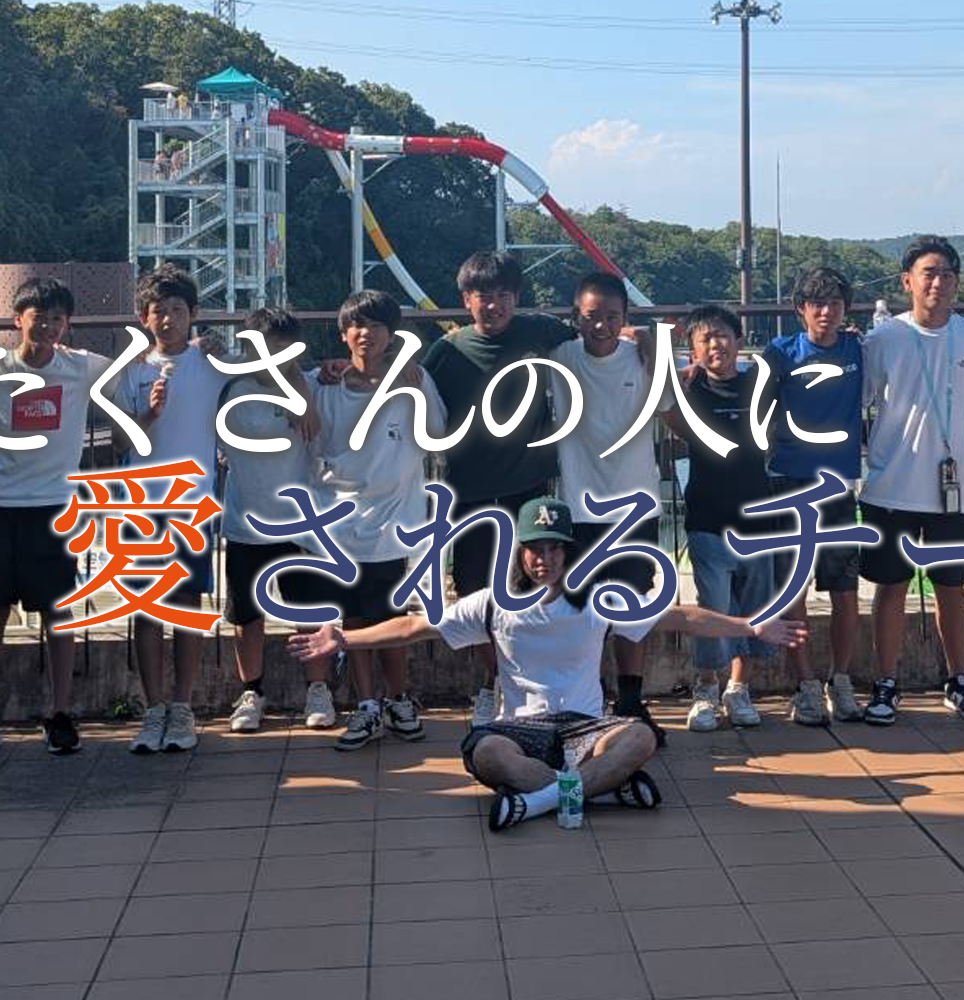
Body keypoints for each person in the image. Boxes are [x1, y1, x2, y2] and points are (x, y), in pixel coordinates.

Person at [288, 497, 806, 830]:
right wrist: (344, 637)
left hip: (586, 728)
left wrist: (750, 626)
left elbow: (681, 617)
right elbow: (413, 627)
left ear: (568, 554)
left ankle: (536, 802)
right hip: (520, 728)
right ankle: (598, 791)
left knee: (639, 738)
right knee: (487, 753)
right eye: (534, 549)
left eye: (555, 549)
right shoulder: (492, 603)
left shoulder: (599, 600)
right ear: (519, 553)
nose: (544, 559)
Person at [0, 277, 116, 760]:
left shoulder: (82, 367)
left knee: (58, 614)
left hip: (55, 507)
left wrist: (202, 348)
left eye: (57, 319)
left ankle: (59, 714)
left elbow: (142, 366)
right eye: (38, 317)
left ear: (67, 325)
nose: (47, 327)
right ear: (17, 320)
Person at [418, 251, 577, 725]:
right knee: (475, 593)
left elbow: (595, 340)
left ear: (517, 297)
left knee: (532, 590)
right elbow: (409, 392)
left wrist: (638, 339)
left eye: (504, 295)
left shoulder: (539, 332)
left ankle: (528, 685)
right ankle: (492, 683)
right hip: (468, 491)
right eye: (483, 295)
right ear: (466, 300)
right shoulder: (446, 352)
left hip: (529, 490)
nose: (494, 305)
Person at [302, 290, 445, 751]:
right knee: (354, 620)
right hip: (338, 524)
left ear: (392, 334)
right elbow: (274, 375)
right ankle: (367, 705)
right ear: (343, 334)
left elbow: (438, 435)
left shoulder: (414, 380)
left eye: (377, 325)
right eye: (357, 326)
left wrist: (412, 383)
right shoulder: (321, 385)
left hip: (392, 525)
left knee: (391, 620)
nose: (366, 334)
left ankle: (399, 699)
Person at [859, 236, 964, 724]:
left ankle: (960, 679)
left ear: (957, 282)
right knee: (891, 586)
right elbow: (861, 403)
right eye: (928, 273)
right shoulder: (883, 339)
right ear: (907, 282)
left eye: (947, 274)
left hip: (953, 491)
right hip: (892, 484)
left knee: (951, 587)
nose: (938, 282)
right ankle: (886, 682)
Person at [111, 264, 232, 754]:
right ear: (144, 317)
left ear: (193, 314)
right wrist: (149, 414)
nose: (168, 319)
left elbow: (265, 372)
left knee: (185, 605)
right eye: (158, 311)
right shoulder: (132, 370)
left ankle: (182, 707)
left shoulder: (211, 363)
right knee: (145, 609)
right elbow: (120, 440)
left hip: (192, 502)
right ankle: (153, 708)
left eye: (177, 310)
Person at [545, 272, 668, 719]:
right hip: (579, 507)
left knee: (633, 605)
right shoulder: (560, 357)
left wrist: (651, 343)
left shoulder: (643, 359)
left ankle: (631, 698)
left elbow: (669, 402)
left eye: (612, 316)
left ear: (625, 318)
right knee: (583, 610)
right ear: (575, 316)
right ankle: (589, 700)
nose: (601, 325)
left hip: (637, 504)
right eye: (591, 315)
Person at [762, 266, 868, 724]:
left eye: (835, 304)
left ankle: (840, 680)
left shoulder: (858, 349)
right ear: (801, 309)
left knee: (845, 589)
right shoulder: (780, 352)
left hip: (839, 486)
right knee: (793, 589)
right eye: (817, 304)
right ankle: (805, 685)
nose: (826, 312)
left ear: (846, 310)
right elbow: (746, 395)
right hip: (788, 482)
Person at [667, 305, 781, 731]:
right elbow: (661, 406)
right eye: (705, 339)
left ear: (738, 340)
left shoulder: (758, 385)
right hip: (707, 517)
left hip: (757, 518)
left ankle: (739, 688)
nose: (716, 344)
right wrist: (676, 377)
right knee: (713, 606)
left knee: (754, 608)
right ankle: (705, 689)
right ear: (693, 350)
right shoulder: (688, 389)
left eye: (723, 335)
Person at [217, 306, 322, 732]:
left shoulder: (314, 384)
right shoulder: (229, 387)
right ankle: (252, 692)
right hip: (245, 521)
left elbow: (350, 376)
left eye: (284, 349)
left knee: (308, 610)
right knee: (247, 616)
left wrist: (303, 388)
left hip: (300, 522)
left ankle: (318, 690)